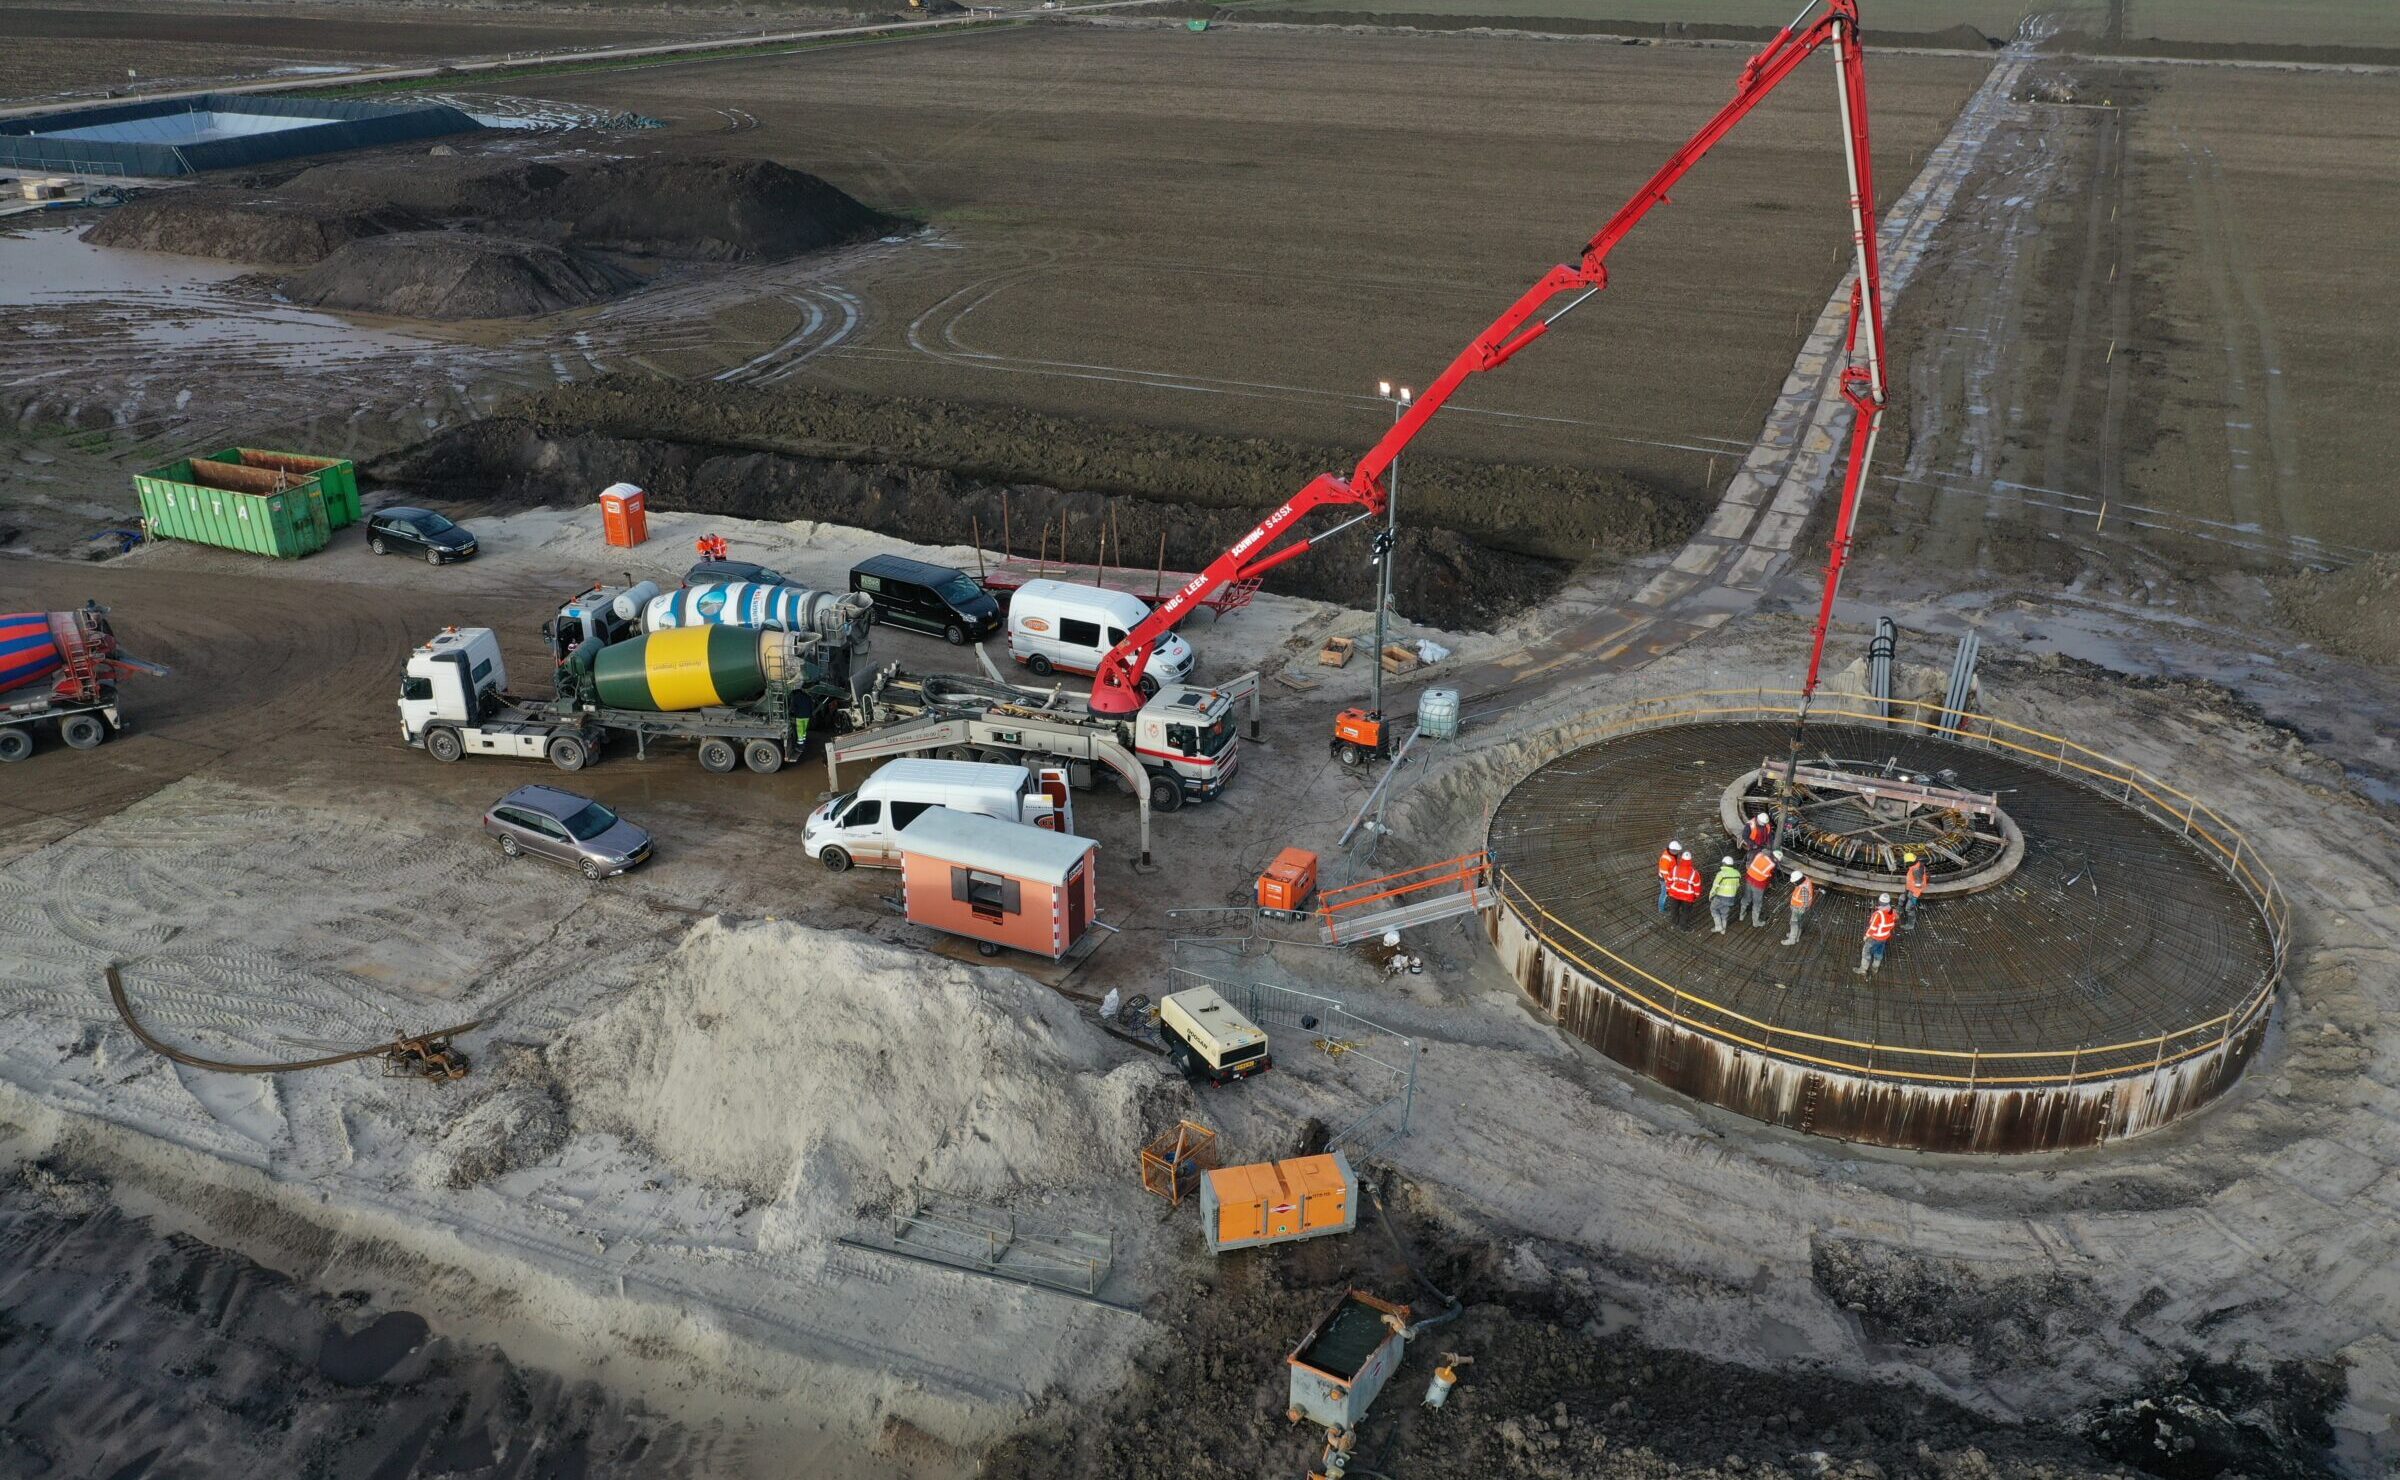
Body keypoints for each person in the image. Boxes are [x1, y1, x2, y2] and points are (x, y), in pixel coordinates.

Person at [1857, 893, 1899, 975]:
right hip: (1884, 938)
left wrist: (1867, 936)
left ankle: (1863, 970)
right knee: (1879, 952)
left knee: (1866, 952)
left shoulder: (1878, 914)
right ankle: (1875, 969)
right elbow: (1894, 919)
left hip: (1874, 938)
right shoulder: (1892, 912)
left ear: (1879, 902)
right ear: (1888, 903)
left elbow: (1873, 927)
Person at [1741, 848, 1780, 927]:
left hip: (1749, 879)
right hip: (1759, 884)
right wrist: (1769, 884)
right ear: (1775, 858)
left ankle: (1741, 915)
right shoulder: (1772, 864)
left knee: (1746, 897)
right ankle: (1755, 922)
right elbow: (1767, 876)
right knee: (1757, 903)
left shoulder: (1759, 855)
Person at [1709, 855, 1743, 934]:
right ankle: (1723, 930)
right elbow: (1737, 885)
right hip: (1731, 898)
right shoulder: (1737, 873)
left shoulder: (1721, 874)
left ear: (1723, 863)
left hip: (1720, 897)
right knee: (1724, 913)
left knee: (1713, 909)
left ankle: (1718, 926)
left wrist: (1710, 896)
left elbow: (1715, 887)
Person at [1666, 850, 1704, 921]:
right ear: (1690, 860)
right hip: (1688, 896)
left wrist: (1668, 890)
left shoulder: (1675, 869)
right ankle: (1683, 927)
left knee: (1674, 910)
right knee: (1686, 912)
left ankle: (1674, 922)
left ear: (1681, 859)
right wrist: (1696, 895)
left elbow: (1669, 880)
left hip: (1674, 893)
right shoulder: (1694, 873)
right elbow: (1697, 886)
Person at [1783, 868, 1816, 946]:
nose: (1794, 883)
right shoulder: (1805, 880)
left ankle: (1792, 939)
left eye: (1794, 882)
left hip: (1798, 908)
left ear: (1798, 880)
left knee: (1794, 923)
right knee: (1799, 922)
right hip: (1800, 907)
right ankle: (1797, 936)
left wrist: (1801, 910)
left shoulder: (1803, 888)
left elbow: (1805, 901)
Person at [1902, 852, 1929, 929]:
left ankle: (1910, 925)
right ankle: (1914, 904)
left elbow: (1918, 886)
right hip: (1911, 888)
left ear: (1910, 862)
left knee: (1909, 908)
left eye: (1906, 862)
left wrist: (1914, 896)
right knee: (1907, 898)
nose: (1906, 863)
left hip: (1915, 891)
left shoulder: (1916, 871)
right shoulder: (1917, 864)